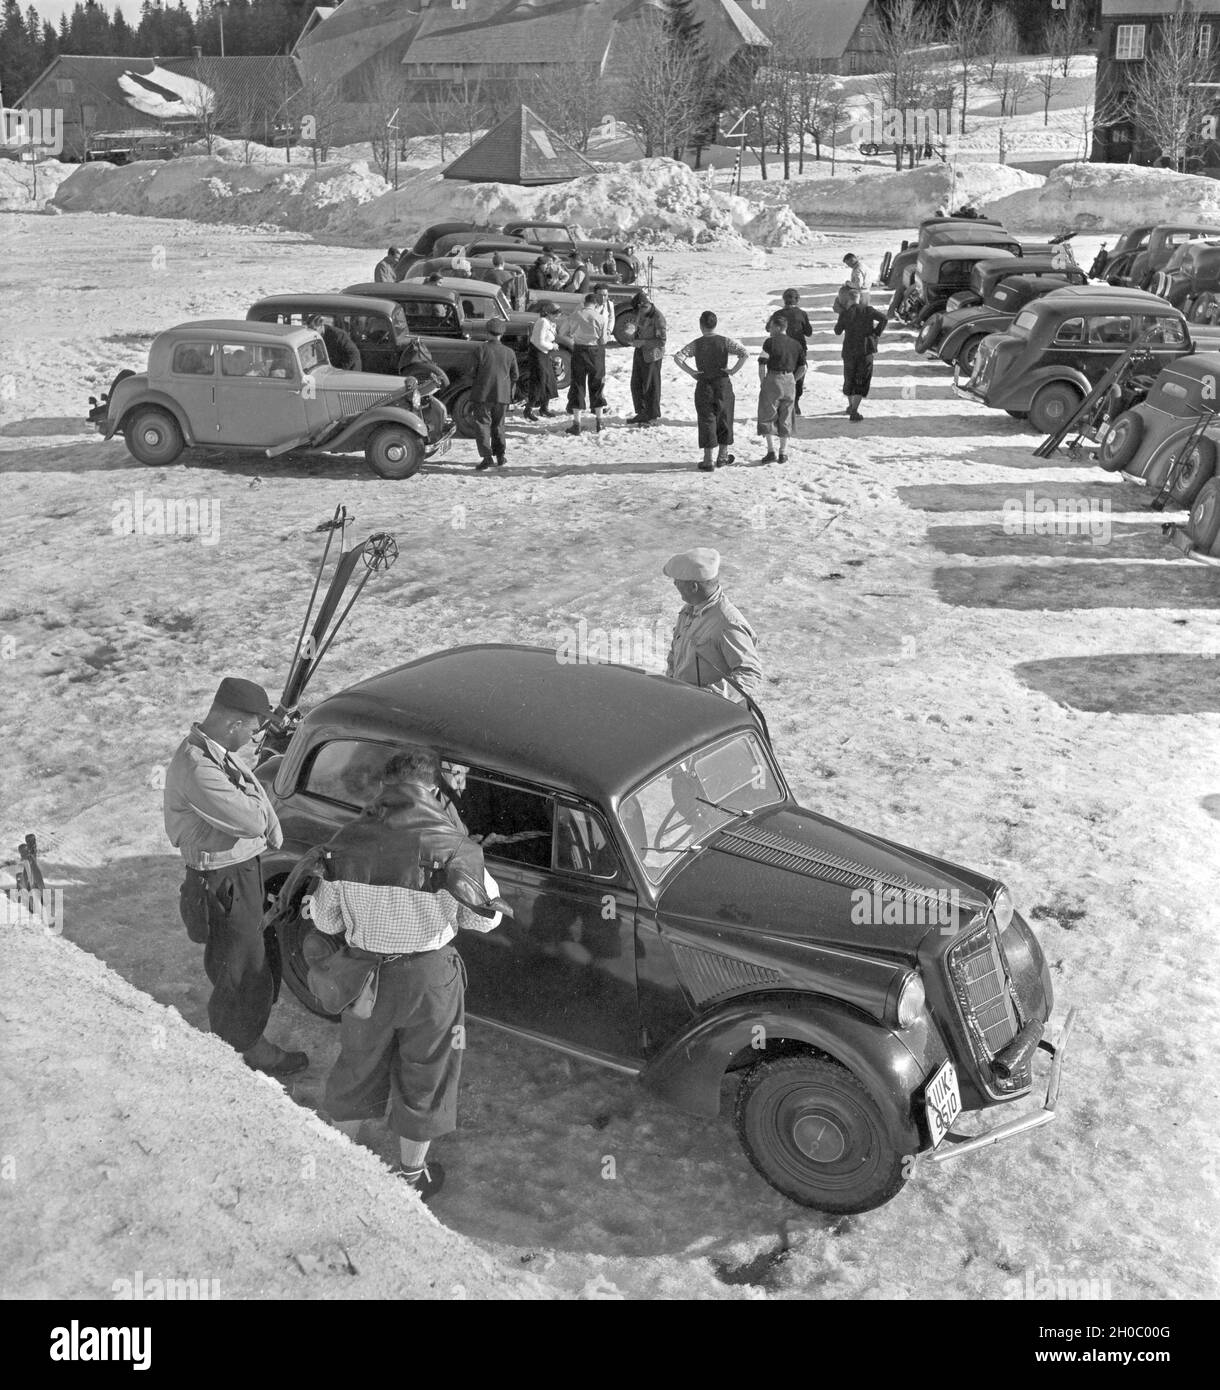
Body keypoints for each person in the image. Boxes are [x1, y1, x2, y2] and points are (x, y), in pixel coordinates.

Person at [311, 747, 503, 1200]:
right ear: (434, 790)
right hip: (429, 982)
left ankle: (344, 1162)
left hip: (365, 979)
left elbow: (326, 920)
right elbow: (485, 918)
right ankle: (411, 1176)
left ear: (384, 787)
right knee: (427, 1073)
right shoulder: (456, 847)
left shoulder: (345, 841)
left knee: (357, 1064)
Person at [164, 677, 308, 1078]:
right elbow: (250, 818)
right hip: (222, 879)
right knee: (239, 969)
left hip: (237, 871)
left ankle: (243, 1041)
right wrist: (262, 815)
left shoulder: (216, 752)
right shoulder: (197, 767)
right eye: (253, 728)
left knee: (251, 957)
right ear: (233, 723)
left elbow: (254, 803)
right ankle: (241, 1053)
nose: (254, 737)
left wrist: (261, 815)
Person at [662, 549, 763, 702]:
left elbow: (750, 674)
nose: (674, 583)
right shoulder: (689, 610)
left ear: (694, 587)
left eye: (678, 581)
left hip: (712, 712)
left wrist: (706, 698)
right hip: (683, 703)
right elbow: (675, 654)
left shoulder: (727, 623)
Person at [673, 310, 748, 471]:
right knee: (724, 418)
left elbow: (678, 357)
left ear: (701, 325)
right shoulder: (725, 341)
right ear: (716, 324)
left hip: (704, 384)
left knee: (707, 419)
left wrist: (692, 372)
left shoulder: (696, 343)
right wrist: (733, 370)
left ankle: (708, 459)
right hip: (723, 384)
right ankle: (722, 457)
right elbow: (744, 353)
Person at [468, 318, 518, 469]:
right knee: (498, 425)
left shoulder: (480, 350)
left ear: (487, 332)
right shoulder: (509, 352)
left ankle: (487, 457)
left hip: (482, 394)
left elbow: (471, 373)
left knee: (482, 425)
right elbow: (515, 375)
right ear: (502, 334)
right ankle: (501, 455)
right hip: (502, 395)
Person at [556, 293, 608, 435]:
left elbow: (562, 332)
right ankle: (599, 422)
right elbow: (603, 340)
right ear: (596, 304)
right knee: (597, 384)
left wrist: (574, 337)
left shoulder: (575, 315)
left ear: (584, 302)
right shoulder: (600, 317)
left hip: (579, 350)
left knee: (578, 384)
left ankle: (577, 423)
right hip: (595, 351)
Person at [834, 286, 887, 422]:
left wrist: (842, 318)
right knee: (861, 379)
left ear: (848, 300)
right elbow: (884, 319)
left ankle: (851, 406)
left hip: (849, 351)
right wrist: (875, 333)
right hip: (865, 350)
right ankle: (855, 410)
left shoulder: (845, 313)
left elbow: (837, 331)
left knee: (849, 377)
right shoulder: (868, 310)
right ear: (859, 298)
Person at [756, 312, 803, 464]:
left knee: (767, 414)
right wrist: (793, 380)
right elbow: (803, 367)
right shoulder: (796, 344)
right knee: (786, 415)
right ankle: (783, 452)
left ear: (777, 327)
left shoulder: (769, 343)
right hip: (789, 379)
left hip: (773, 379)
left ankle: (771, 451)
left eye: (770, 327)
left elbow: (762, 363)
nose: (769, 330)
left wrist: (763, 381)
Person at [627, 289, 666, 426]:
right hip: (640, 352)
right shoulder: (640, 313)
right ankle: (642, 412)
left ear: (650, 304)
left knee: (651, 386)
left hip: (652, 355)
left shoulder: (658, 318)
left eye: (644, 306)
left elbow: (661, 341)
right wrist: (633, 336)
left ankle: (652, 416)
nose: (641, 309)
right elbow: (639, 329)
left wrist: (643, 342)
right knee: (636, 383)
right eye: (639, 306)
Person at [774, 288, 813, 414]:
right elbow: (809, 332)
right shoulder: (802, 313)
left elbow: (767, 328)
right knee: (799, 375)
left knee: (782, 374)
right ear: (797, 300)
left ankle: (783, 402)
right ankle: (795, 403)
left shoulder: (778, 314)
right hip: (799, 349)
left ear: (784, 300)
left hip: (781, 349)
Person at [524, 301, 560, 420]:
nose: (557, 316)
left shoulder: (550, 323)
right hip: (538, 355)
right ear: (548, 313)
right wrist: (552, 346)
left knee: (549, 380)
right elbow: (538, 341)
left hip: (544, 355)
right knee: (539, 382)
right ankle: (528, 409)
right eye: (555, 314)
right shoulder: (543, 322)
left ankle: (544, 408)